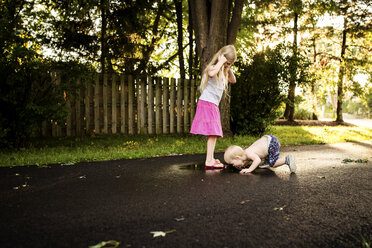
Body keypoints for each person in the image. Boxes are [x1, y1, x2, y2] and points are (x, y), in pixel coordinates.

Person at [190, 45, 237, 169]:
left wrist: (228, 67)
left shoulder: (224, 71)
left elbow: (233, 80)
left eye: (230, 64)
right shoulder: (213, 67)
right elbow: (211, 73)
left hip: (212, 104)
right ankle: (209, 160)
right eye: (227, 63)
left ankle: (210, 159)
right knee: (213, 132)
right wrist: (221, 61)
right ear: (222, 57)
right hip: (207, 103)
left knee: (214, 133)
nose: (227, 65)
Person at [224, 134, 296, 174]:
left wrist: (249, 169)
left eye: (233, 163)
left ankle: (287, 159)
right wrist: (243, 165)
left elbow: (257, 160)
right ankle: (267, 160)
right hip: (268, 139)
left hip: (271, 143)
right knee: (264, 152)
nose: (233, 165)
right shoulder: (245, 154)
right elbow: (248, 160)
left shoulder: (249, 153)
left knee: (273, 164)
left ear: (237, 158)